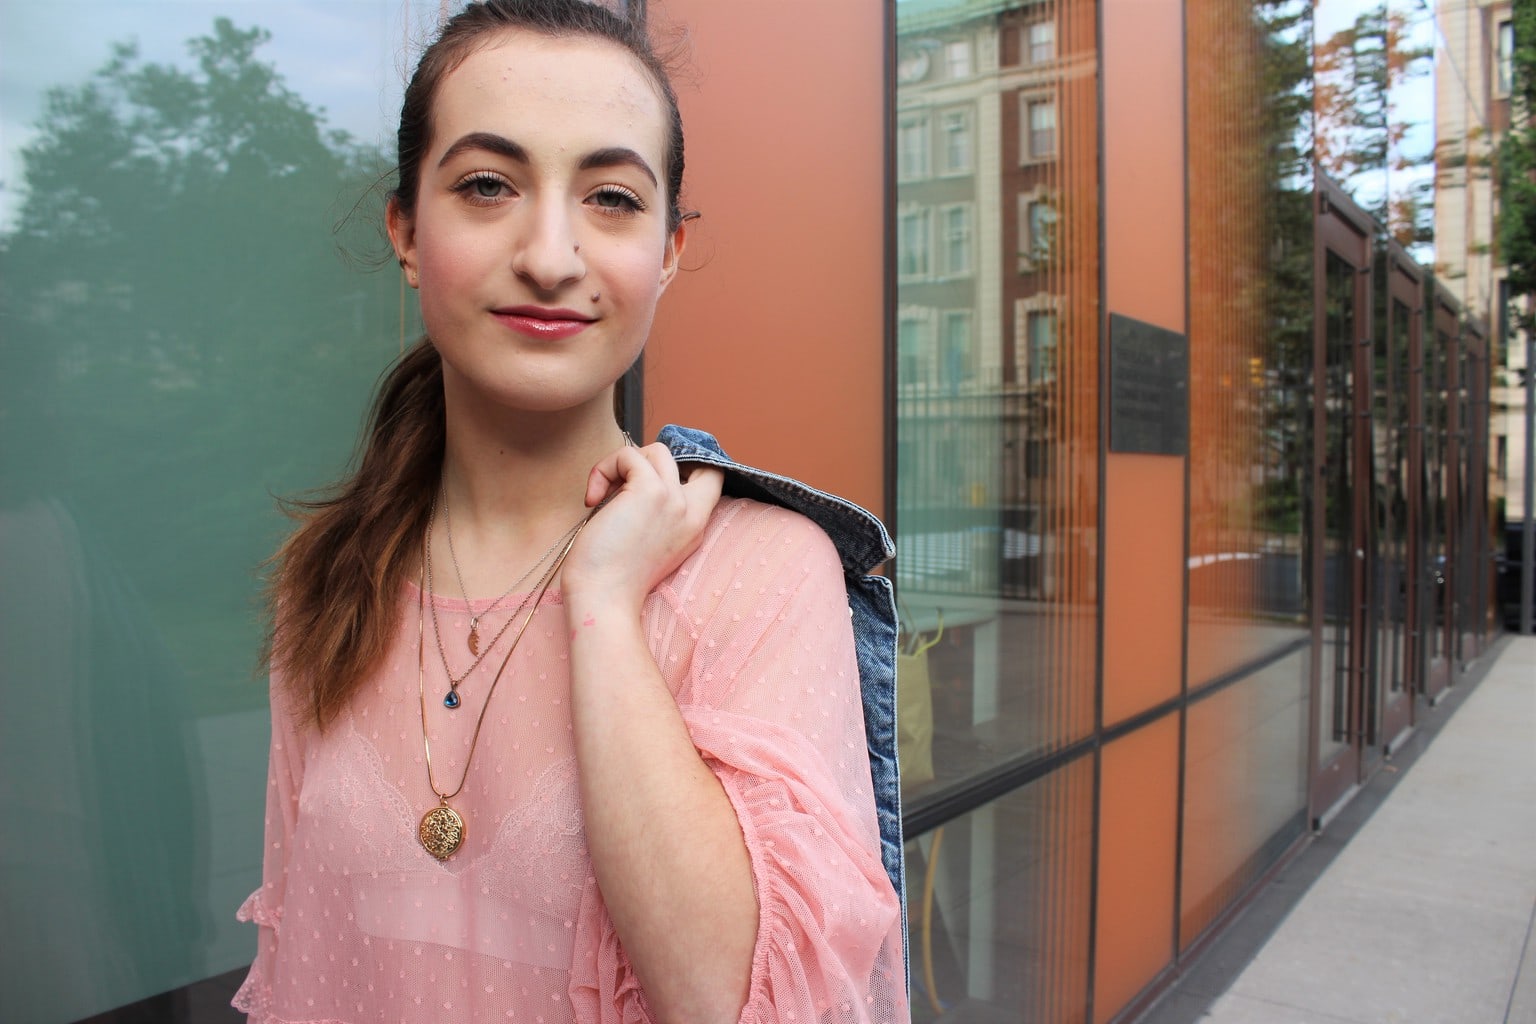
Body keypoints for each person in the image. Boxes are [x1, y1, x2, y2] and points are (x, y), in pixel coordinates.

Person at [234, 2, 908, 1022]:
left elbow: (739, 1000)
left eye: (610, 197)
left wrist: (602, 597)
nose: (551, 254)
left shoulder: (766, 571)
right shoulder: (328, 577)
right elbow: (299, 970)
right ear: (407, 230)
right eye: (489, 185)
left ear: (669, 252)